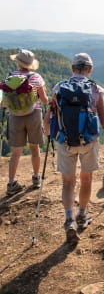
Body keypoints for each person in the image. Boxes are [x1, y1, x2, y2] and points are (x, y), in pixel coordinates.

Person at [45, 53, 104, 244]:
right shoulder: (95, 89)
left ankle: (69, 220)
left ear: (72, 68)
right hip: (88, 141)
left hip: (64, 140)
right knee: (86, 179)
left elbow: (51, 114)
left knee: (68, 183)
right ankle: (82, 215)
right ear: (90, 69)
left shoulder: (59, 88)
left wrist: (49, 133)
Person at [4, 49, 48, 196]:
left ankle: (11, 183)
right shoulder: (36, 77)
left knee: (16, 152)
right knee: (34, 148)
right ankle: (36, 179)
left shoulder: (9, 77)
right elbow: (44, 100)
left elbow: (4, 102)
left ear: (17, 62)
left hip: (15, 116)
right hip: (34, 114)